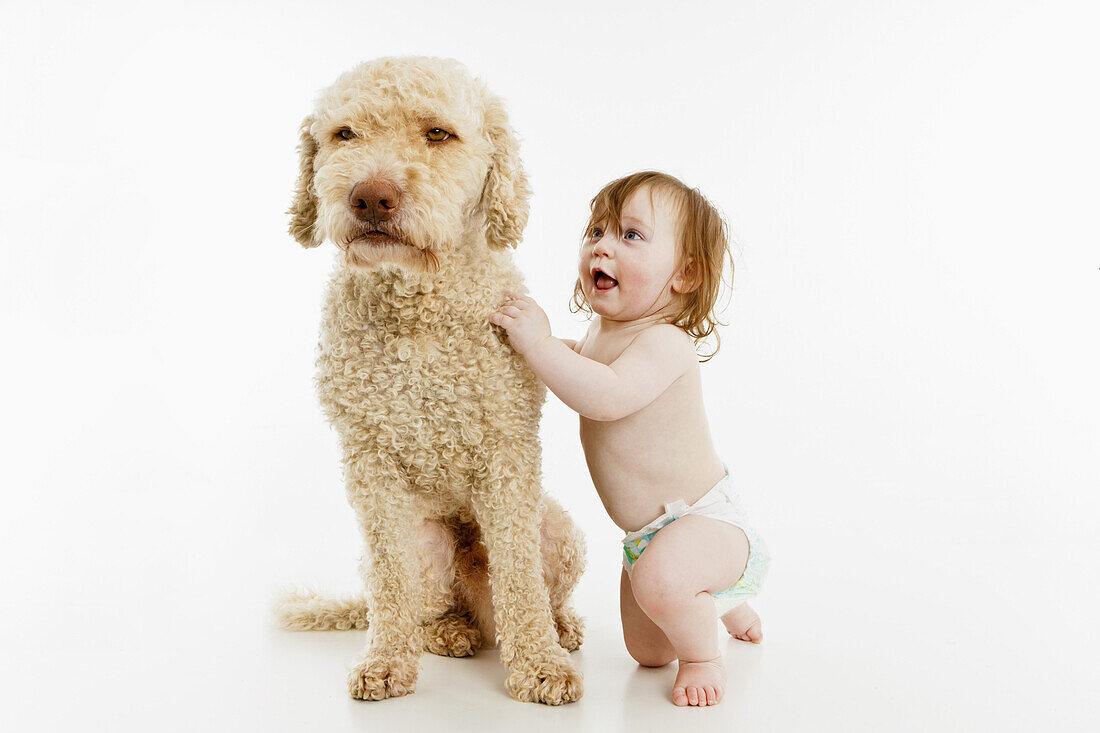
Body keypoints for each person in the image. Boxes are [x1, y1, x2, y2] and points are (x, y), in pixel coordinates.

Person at [488, 171, 770, 707]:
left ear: (685, 274)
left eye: (631, 235)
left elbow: (605, 395)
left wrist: (539, 344)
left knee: (665, 585)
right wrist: (524, 348)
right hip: (647, 535)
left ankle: (706, 654)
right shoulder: (602, 333)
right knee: (647, 653)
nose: (603, 246)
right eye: (597, 231)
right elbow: (578, 364)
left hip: (702, 519)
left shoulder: (665, 343)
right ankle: (721, 601)